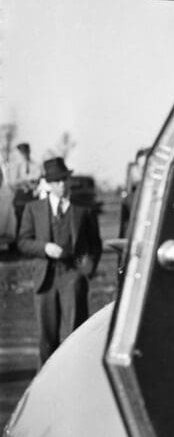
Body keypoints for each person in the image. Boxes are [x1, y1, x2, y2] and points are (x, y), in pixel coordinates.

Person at [16, 157, 102, 367]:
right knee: (47, 340)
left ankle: (76, 380)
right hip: (45, 280)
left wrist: (85, 272)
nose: (62, 185)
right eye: (56, 181)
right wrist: (45, 248)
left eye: (64, 179)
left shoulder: (83, 210)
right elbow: (23, 242)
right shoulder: (33, 209)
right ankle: (44, 388)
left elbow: (95, 245)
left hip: (73, 277)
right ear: (48, 183)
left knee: (76, 336)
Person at [9, 142, 41, 230]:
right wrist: (26, 181)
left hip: (33, 196)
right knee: (20, 222)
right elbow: (12, 182)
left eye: (26, 152)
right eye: (22, 153)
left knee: (32, 222)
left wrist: (30, 182)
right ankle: (18, 242)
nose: (25, 154)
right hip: (21, 196)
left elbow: (38, 178)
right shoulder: (16, 166)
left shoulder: (35, 165)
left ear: (29, 151)